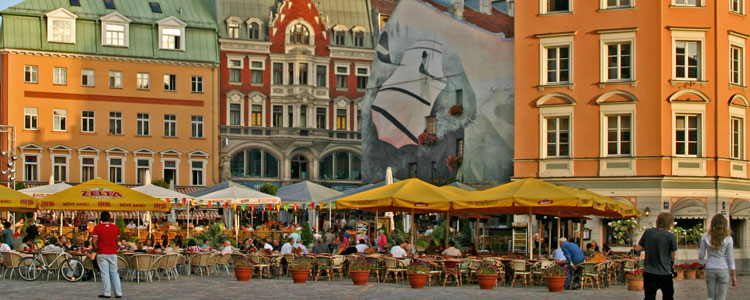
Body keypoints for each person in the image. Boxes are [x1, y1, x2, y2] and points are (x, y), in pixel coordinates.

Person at [634, 212, 677, 300]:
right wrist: (671, 265)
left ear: (658, 220)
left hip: (649, 271)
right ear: (669, 223)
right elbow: (672, 254)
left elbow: (639, 248)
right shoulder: (671, 236)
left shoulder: (648, 232)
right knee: (668, 296)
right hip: (664, 272)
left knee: (649, 297)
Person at [699, 214, 738, 300]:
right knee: (721, 297)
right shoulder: (728, 238)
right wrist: (734, 275)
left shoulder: (705, 236)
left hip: (710, 268)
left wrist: (701, 268)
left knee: (710, 297)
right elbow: (730, 257)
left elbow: (702, 253)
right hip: (723, 269)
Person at [92, 211, 123, 299]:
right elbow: (117, 240)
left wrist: (95, 248)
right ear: (110, 218)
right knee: (114, 272)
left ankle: (107, 292)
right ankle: (118, 292)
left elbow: (94, 241)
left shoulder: (97, 228)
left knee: (105, 273)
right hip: (112, 252)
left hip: (102, 252)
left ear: (101, 219)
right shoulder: (115, 228)